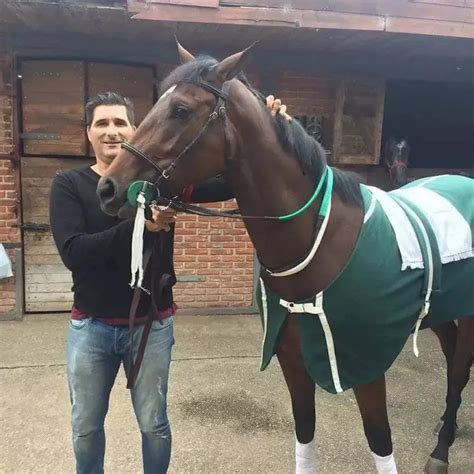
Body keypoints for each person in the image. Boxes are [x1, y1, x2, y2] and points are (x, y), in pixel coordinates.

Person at [50, 91, 290, 474]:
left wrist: (268, 127)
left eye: (119, 123)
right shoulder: (69, 184)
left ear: (135, 130)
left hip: (152, 325)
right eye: (102, 124)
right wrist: (138, 227)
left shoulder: (163, 183)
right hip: (90, 328)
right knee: (85, 427)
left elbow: (231, 181)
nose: (111, 132)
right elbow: (73, 252)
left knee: (154, 425)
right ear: (89, 133)